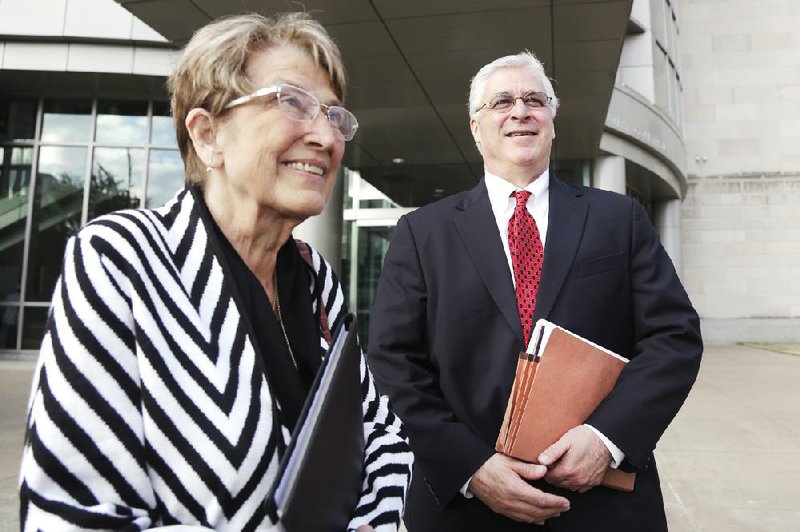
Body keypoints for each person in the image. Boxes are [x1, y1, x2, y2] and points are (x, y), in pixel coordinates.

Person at [19, 12, 412, 531]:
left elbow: (381, 434)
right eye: (292, 102)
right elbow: (70, 517)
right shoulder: (120, 261)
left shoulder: (314, 280)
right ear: (208, 136)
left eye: (335, 115)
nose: (325, 136)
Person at [367, 51, 702, 531]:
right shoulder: (421, 233)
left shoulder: (618, 219)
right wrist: (470, 467)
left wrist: (606, 438)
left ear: (552, 120)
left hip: (601, 502)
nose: (520, 110)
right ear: (475, 127)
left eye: (534, 99)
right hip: (466, 507)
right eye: (501, 101)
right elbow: (393, 363)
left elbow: (674, 338)